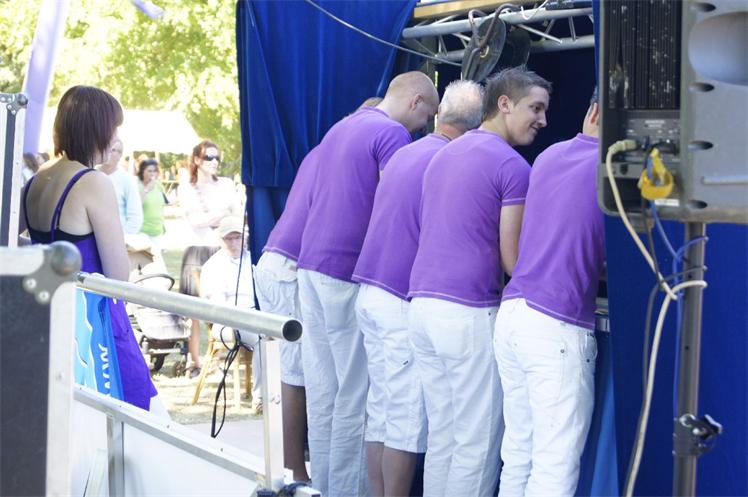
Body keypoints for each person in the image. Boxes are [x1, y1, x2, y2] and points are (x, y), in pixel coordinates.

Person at [407, 67, 551, 497]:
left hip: (421, 306)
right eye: (535, 108)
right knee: (476, 443)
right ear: (504, 104)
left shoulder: (443, 154)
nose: (542, 120)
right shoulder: (512, 166)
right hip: (467, 311)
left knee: (444, 436)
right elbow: (512, 260)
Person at [296, 71, 439, 497]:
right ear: (415, 101)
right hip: (345, 270)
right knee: (355, 397)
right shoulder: (391, 135)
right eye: (427, 116)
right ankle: (346, 491)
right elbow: (394, 201)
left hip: (310, 264)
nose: (424, 128)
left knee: (324, 390)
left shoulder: (343, 126)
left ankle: (323, 486)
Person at [351, 80, 484, 497]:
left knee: (381, 413)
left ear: (441, 114)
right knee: (406, 422)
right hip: (398, 295)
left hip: (369, 288)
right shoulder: (450, 161)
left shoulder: (406, 152)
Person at [254, 95, 384, 483]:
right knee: (302, 377)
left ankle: (301, 471)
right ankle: (295, 470)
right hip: (291, 267)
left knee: (305, 376)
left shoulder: (326, 148)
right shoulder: (345, 153)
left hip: (280, 261)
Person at [19, 85, 160, 414]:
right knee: (129, 421)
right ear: (97, 129)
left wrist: (51, 256)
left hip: (45, 317)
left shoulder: (38, 178)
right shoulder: (93, 182)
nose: (116, 139)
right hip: (94, 326)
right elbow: (118, 276)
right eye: (114, 128)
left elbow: (12, 240)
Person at [494, 90, 602, 497]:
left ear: (592, 110)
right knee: (554, 466)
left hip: (514, 314)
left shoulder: (549, 156)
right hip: (556, 324)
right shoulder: (613, 169)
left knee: (518, 454)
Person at [178, 139, 243, 378]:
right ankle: (193, 361)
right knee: (193, 312)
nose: (214, 162)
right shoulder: (187, 187)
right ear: (197, 160)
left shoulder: (226, 184)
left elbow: (237, 214)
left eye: (217, 157)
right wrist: (222, 215)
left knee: (219, 305)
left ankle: (214, 360)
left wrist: (219, 218)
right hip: (197, 249)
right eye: (209, 157)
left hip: (221, 250)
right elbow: (195, 220)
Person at [199, 216, 262, 414]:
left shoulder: (253, 259)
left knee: (277, 336)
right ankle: (261, 398)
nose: (234, 243)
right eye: (229, 238)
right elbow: (217, 307)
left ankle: (276, 393)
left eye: (238, 237)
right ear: (221, 240)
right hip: (227, 321)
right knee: (263, 339)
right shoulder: (214, 266)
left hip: (255, 315)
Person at [97, 138, 143, 235]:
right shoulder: (90, 173)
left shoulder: (127, 179)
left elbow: (135, 217)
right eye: (106, 148)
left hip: (115, 237)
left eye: (113, 150)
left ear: (120, 155)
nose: (109, 152)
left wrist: (122, 238)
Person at [137, 158, 167, 254]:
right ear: (142, 172)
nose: (152, 174)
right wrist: (146, 190)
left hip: (157, 230)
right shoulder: (136, 185)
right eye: (149, 171)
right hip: (142, 231)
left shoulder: (158, 185)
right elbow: (136, 206)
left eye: (154, 171)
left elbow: (162, 204)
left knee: (157, 259)